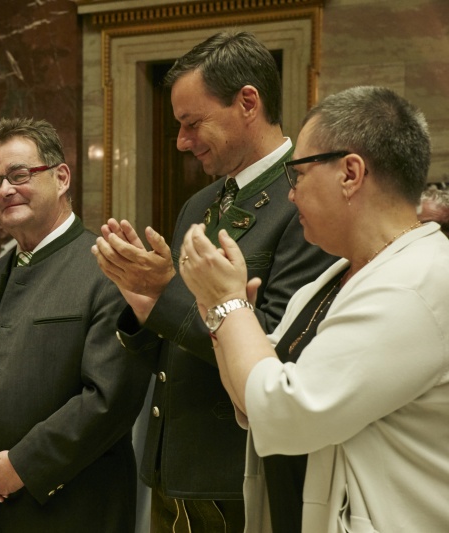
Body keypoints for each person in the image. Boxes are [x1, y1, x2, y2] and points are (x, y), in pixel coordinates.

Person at [91, 31, 335, 533]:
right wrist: (140, 304)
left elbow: (278, 346)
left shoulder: (305, 202)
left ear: (248, 102)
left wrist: (162, 295)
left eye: (192, 123)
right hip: (171, 467)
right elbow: (174, 339)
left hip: (236, 476)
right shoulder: (199, 205)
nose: (182, 141)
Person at [180, 85, 449, 532]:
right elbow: (252, 394)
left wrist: (228, 304)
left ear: (350, 173)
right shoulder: (334, 278)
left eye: (298, 174)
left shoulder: (415, 283)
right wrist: (220, 312)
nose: (291, 194)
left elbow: (287, 413)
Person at [0, 117, 150, 533]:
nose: (4, 190)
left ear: (62, 177)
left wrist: (20, 465)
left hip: (74, 509)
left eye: (19, 175)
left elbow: (109, 399)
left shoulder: (107, 268)